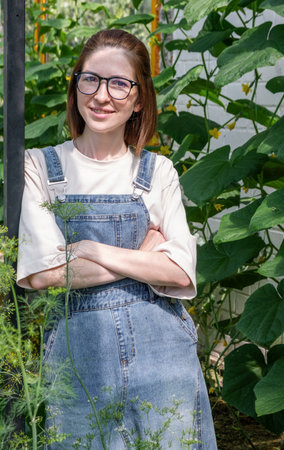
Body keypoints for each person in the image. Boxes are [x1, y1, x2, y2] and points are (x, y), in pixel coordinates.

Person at [17, 29, 217, 449]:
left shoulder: (157, 172)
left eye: (119, 83)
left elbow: (181, 273)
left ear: (139, 98)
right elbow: (42, 273)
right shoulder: (38, 166)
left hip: (164, 359)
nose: (101, 96)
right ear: (75, 88)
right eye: (89, 79)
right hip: (80, 362)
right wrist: (141, 256)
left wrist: (91, 250)